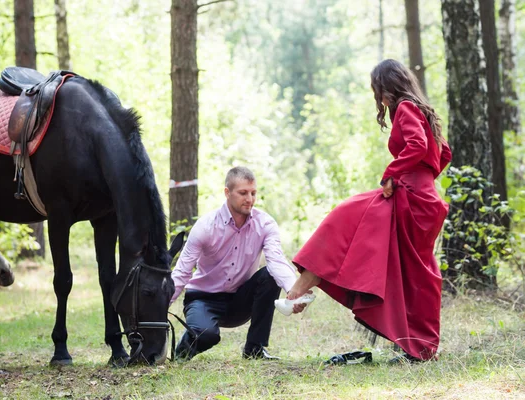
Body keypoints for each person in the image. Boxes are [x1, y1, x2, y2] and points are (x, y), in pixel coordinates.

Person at [287, 59, 452, 363]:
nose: (376, 96)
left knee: (344, 220)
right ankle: (419, 346)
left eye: (376, 89)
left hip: (412, 196)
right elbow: (445, 153)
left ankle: (299, 290)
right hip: (425, 198)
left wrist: (393, 174)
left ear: (384, 86)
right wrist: (423, 179)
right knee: (412, 272)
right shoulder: (423, 111)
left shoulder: (404, 108)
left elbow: (415, 146)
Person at [171, 166, 305, 361]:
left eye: (253, 193)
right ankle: (182, 351)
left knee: (269, 275)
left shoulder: (265, 224)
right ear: (227, 192)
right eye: (243, 193)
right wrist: (159, 309)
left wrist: (294, 291)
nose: (249, 199)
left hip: (239, 300)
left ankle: (254, 349)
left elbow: (276, 261)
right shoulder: (205, 226)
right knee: (207, 335)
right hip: (203, 299)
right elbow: (181, 272)